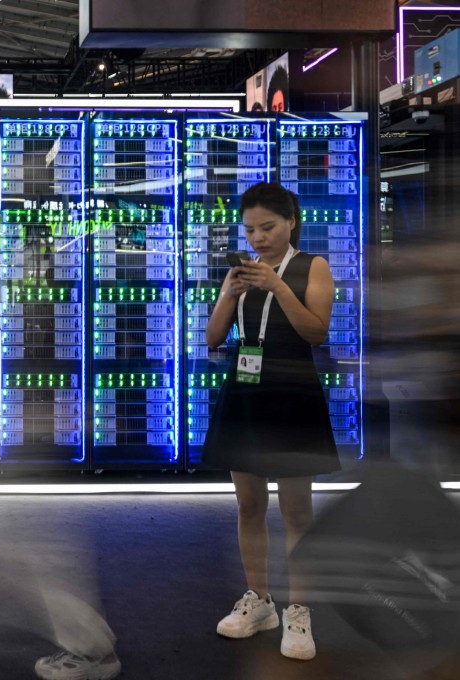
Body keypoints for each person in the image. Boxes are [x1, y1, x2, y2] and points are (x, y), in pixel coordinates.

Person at [202, 182, 338, 661]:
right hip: (246, 390)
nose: (258, 238)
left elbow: (315, 332)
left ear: (291, 223)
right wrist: (228, 294)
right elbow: (215, 338)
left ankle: (299, 609)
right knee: (248, 505)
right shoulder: (241, 273)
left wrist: (277, 284)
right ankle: (258, 601)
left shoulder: (311, 267)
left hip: (293, 390)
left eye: (268, 227)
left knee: (297, 510)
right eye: (250, 229)